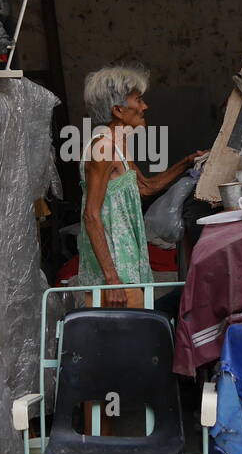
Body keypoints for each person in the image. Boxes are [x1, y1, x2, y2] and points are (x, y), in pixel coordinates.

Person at [76, 64, 205, 308]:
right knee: (124, 335)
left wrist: (187, 163)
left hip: (128, 258)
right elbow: (91, 215)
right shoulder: (102, 148)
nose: (145, 107)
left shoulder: (118, 145)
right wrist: (112, 280)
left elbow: (145, 187)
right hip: (113, 266)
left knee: (136, 326)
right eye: (138, 99)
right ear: (118, 110)